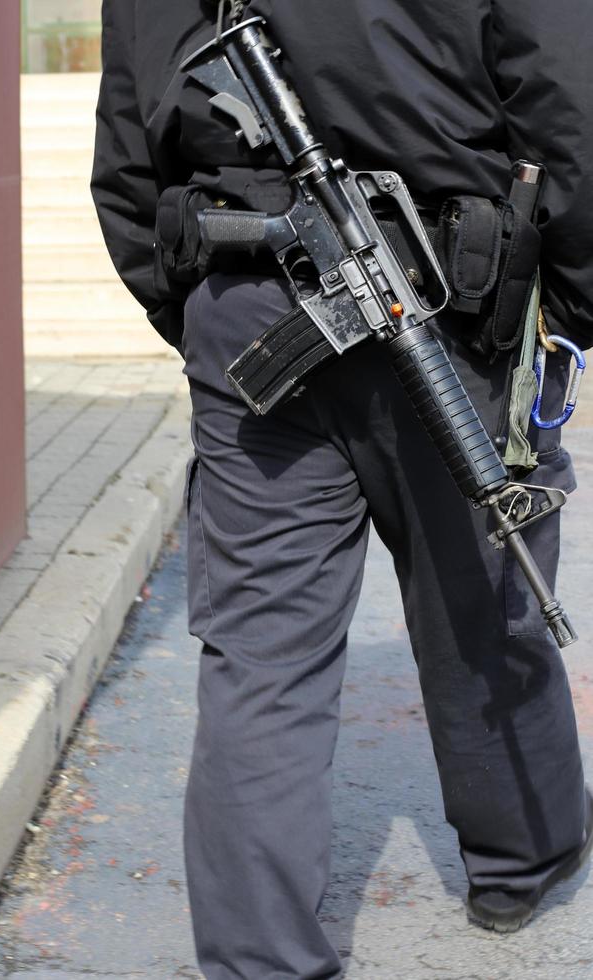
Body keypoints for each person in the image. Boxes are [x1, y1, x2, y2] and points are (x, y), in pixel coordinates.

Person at [92, 1, 593, 976]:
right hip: (457, 305)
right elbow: (570, 99)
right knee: (483, 602)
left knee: (261, 654)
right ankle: (520, 855)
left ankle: (257, 955)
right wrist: (566, 301)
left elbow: (130, 140)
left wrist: (200, 306)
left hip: (295, 305)